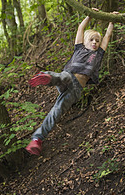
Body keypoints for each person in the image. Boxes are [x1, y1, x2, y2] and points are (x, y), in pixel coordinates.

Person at [25, 14, 114, 155]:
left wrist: (112, 22)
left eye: (97, 40)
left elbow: (107, 36)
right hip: (69, 75)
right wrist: (89, 16)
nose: (95, 42)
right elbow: (80, 29)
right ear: (84, 41)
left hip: (76, 90)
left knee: (57, 110)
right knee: (63, 77)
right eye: (91, 39)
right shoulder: (79, 48)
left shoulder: (98, 55)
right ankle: (47, 77)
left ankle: (37, 139)